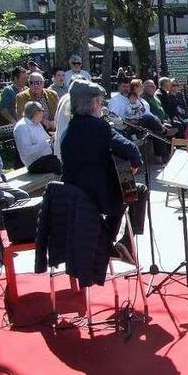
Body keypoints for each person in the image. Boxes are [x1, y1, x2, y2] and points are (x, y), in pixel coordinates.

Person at [61, 79, 144, 253]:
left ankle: (106, 240)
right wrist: (135, 165)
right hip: (99, 197)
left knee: (122, 190)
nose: (100, 106)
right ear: (92, 104)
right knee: (136, 190)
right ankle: (118, 242)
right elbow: (131, 149)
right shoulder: (99, 126)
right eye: (99, 101)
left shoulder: (69, 130)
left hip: (74, 195)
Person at [14, 102, 61, 174]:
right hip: (35, 163)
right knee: (60, 164)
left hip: (48, 158)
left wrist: (54, 137)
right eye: (42, 111)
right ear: (36, 113)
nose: (43, 114)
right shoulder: (21, 127)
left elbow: (48, 140)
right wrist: (47, 143)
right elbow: (26, 151)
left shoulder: (37, 124)